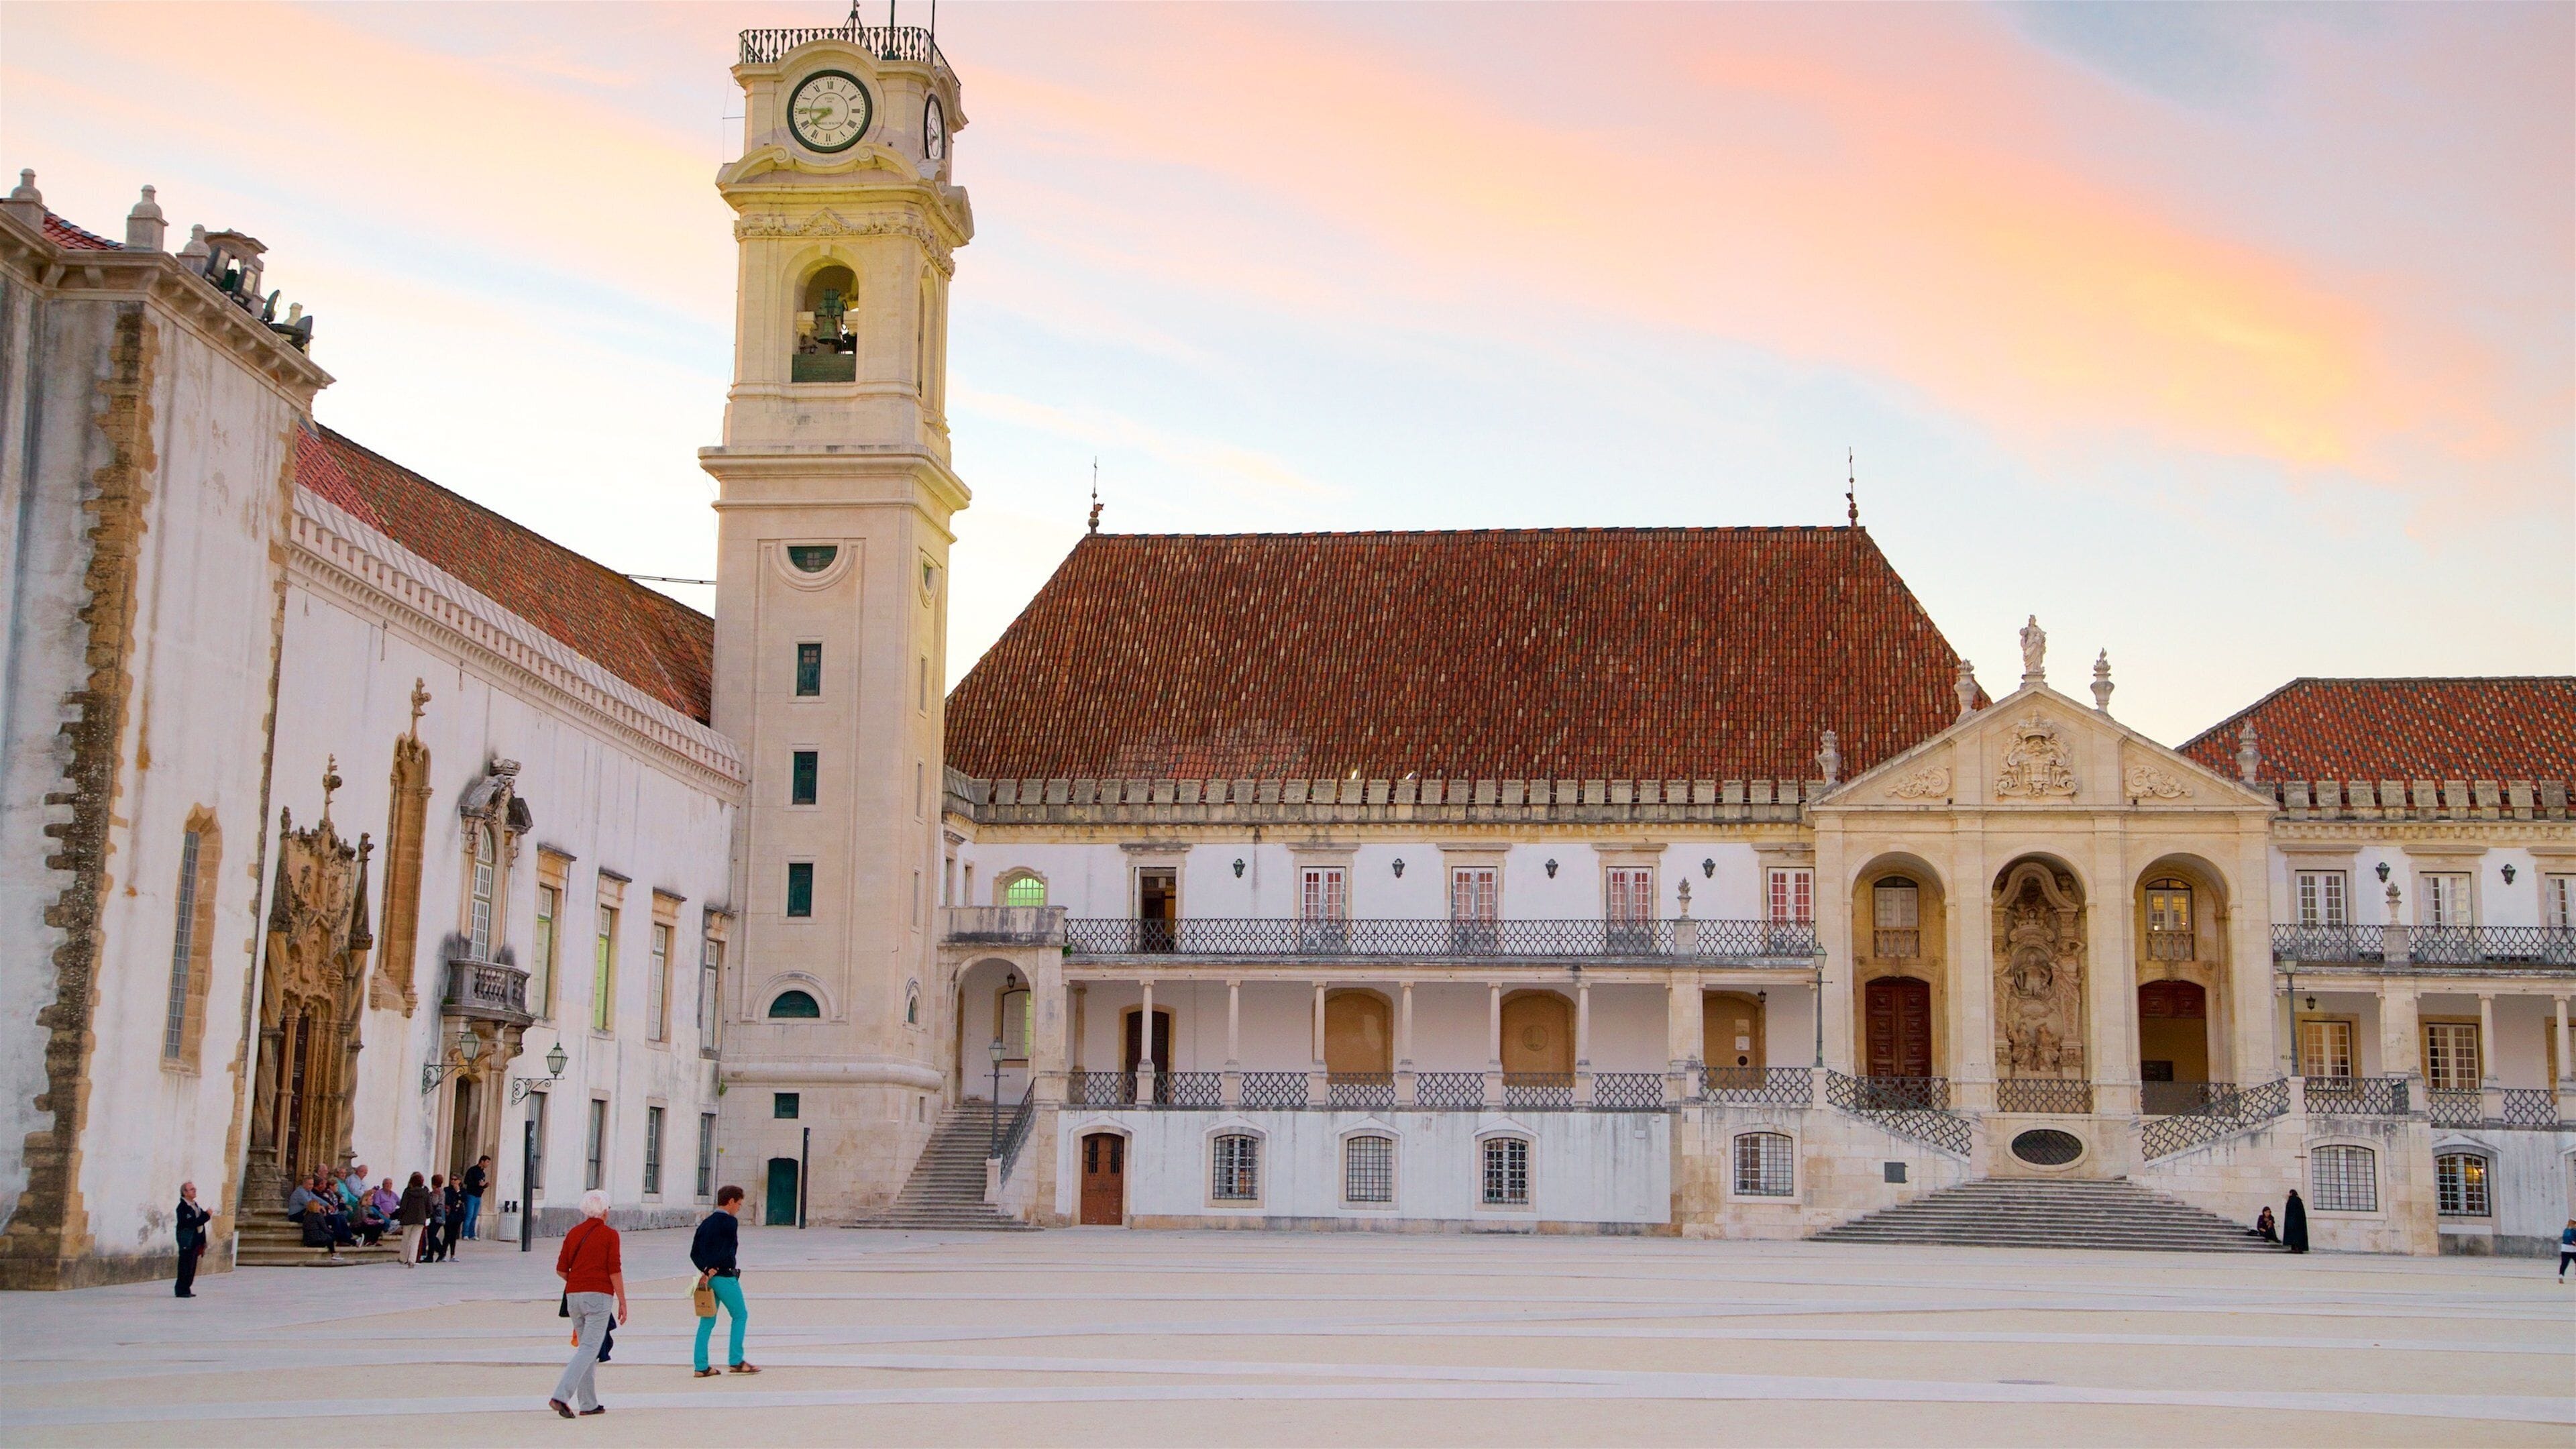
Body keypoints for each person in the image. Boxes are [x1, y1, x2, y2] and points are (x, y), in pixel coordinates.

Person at [549, 1189, 626, 1418]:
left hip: (574, 1296)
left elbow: (562, 1269)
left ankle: (589, 1403)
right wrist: (622, 1300)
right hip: (599, 1296)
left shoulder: (574, 1233)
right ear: (604, 1211)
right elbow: (614, 1269)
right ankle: (561, 1395)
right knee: (589, 1348)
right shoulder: (610, 1235)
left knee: (586, 1349)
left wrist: (578, 1281)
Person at [690, 1184, 760, 1377]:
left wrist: (706, 1270)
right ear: (730, 1202)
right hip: (725, 1277)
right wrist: (714, 1267)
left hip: (708, 1279)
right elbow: (727, 1250)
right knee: (740, 1315)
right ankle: (736, 1360)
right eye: (739, 1204)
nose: (739, 1207)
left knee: (707, 1321)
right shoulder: (730, 1222)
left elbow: (694, 1253)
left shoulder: (706, 1223)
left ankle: (701, 1365)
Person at [173, 1181, 210, 1298]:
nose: (195, 1190)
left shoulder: (195, 1205)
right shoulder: (183, 1208)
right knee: (185, 1265)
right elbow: (191, 1223)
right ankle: (181, 1289)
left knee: (192, 1266)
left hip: (195, 1240)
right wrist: (207, 1216)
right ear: (185, 1192)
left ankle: (187, 1288)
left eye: (194, 1188)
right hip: (187, 1241)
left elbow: (200, 1218)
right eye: (191, 1189)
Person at [396, 1171, 431, 1266]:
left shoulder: (407, 1192)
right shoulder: (425, 1193)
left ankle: (403, 1258)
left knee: (406, 1239)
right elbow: (429, 1207)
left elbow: (403, 1206)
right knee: (415, 1240)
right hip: (420, 1219)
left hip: (408, 1218)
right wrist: (426, 1216)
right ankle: (412, 1260)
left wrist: (401, 1217)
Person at [463, 1155, 491, 1240]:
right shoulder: (472, 1170)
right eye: (487, 1162)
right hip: (471, 1195)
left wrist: (485, 1185)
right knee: (469, 1215)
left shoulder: (482, 1173)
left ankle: (472, 1234)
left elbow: (481, 1185)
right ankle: (465, 1233)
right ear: (482, 1161)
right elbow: (467, 1181)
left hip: (478, 1196)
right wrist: (477, 1184)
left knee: (475, 1216)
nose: (488, 1164)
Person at [421, 1174, 448, 1263]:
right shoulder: (442, 1191)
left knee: (431, 1235)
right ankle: (440, 1252)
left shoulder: (436, 1191)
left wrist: (430, 1195)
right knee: (432, 1234)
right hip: (441, 1216)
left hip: (437, 1216)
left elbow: (435, 1202)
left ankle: (433, 1255)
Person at [441, 1175, 466, 1260]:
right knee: (447, 1234)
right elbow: (447, 1200)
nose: (453, 1181)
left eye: (455, 1179)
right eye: (451, 1179)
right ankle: (443, 1254)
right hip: (449, 1214)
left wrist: (458, 1191)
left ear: (459, 1181)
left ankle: (452, 1254)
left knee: (454, 1235)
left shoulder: (463, 1191)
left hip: (458, 1215)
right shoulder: (446, 1190)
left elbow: (463, 1199)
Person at [2282, 1189, 2310, 1254]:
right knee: (2299, 1236)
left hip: (2292, 1223)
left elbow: (2289, 1213)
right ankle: (2299, 1248)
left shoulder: (2291, 1201)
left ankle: (2295, 1248)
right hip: (2300, 1223)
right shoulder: (2299, 1201)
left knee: (2293, 1236)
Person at [2559, 1219, 2573, 1283]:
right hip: (2573, 1250)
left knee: (2564, 1264)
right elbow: (2573, 1241)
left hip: (2564, 1249)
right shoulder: (2574, 1231)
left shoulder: (2566, 1231)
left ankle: (2561, 1276)